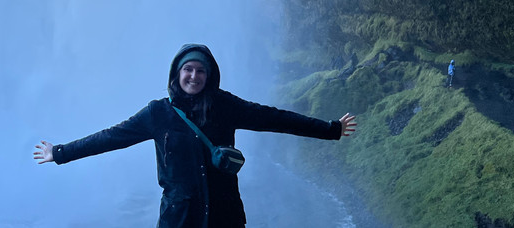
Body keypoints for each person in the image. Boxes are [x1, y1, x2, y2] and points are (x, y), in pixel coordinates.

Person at [33, 44, 357, 228]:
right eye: (188, 69)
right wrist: (60, 152)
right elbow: (111, 137)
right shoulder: (157, 113)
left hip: (224, 215)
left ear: (209, 75)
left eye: (201, 71)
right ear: (177, 74)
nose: (194, 76)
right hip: (179, 218)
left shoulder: (224, 106)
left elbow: (274, 118)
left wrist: (330, 129)